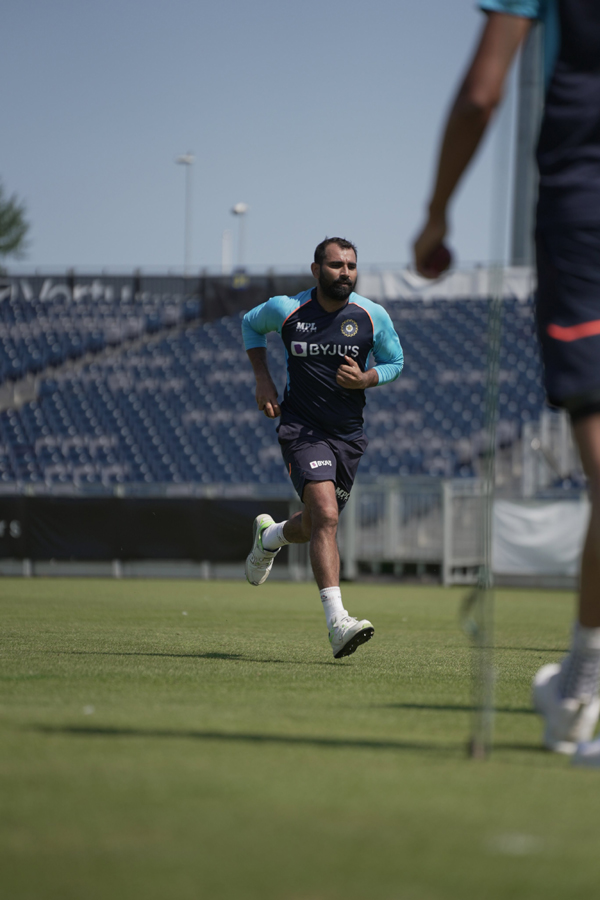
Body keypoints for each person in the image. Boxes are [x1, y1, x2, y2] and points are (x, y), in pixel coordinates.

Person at [413, 2, 600, 762]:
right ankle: (581, 684)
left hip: (583, 211)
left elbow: (483, 92)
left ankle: (581, 685)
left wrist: (435, 217)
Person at [241, 238, 404, 659]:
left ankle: (271, 536)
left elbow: (395, 362)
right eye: (335, 265)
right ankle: (338, 623)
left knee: (315, 525)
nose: (345, 272)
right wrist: (263, 378)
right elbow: (248, 324)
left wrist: (368, 379)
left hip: (348, 436)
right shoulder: (286, 309)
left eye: (351, 265)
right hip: (301, 428)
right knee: (328, 517)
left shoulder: (372, 315)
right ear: (316, 270)